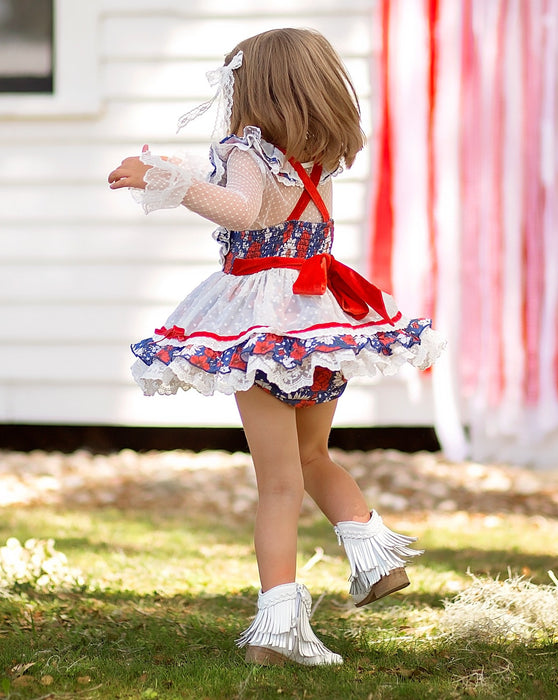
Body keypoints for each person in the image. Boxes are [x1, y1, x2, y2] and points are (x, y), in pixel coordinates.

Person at [108, 27, 445, 667]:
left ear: (255, 88)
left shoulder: (249, 149)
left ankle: (279, 630)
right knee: (315, 454)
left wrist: (164, 177)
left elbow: (242, 212)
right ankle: (373, 552)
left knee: (279, 484)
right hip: (320, 317)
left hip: (264, 325)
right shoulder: (316, 154)